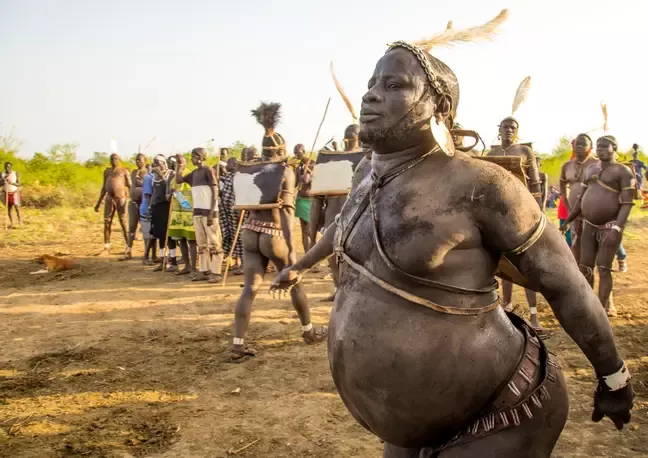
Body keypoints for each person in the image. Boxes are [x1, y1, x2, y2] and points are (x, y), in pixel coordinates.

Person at [271, 27, 632, 457]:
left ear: (439, 106)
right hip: (409, 431)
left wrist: (613, 377)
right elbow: (345, 227)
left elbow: (566, 283)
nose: (370, 95)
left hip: (500, 414)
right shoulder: (366, 174)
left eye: (394, 85)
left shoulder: (483, 185)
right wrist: (302, 263)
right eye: (371, 84)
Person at [230, 102, 327, 362]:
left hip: (250, 232)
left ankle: (237, 344)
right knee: (294, 280)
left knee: (250, 288)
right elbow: (285, 211)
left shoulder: (249, 169)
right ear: (282, 149)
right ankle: (308, 332)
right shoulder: (285, 171)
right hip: (273, 234)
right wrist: (293, 250)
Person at [562, 135, 634, 317]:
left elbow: (626, 203)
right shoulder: (591, 169)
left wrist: (617, 228)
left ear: (614, 148)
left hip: (609, 226)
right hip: (588, 224)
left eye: (605, 146)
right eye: (599, 146)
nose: (600, 149)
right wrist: (569, 219)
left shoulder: (623, 172)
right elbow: (580, 198)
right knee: (585, 267)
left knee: (604, 268)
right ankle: (588, 307)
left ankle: (601, 311)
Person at [488, 119, 544, 332]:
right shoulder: (490, 154)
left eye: (513, 127)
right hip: (496, 214)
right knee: (502, 264)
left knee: (527, 264)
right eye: (505, 127)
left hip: (522, 212)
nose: (508, 130)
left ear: (517, 131)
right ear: (499, 130)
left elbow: (535, 184)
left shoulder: (524, 151)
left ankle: (533, 314)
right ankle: (506, 307)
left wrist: (537, 213)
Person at [309, 123, 362, 301]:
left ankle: (351, 295)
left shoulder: (368, 161)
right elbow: (316, 201)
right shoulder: (329, 162)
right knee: (334, 261)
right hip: (333, 221)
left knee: (354, 261)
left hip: (358, 221)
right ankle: (340, 291)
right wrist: (311, 233)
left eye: (350, 140)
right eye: (347, 140)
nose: (348, 144)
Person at [175, 148, 223, 283]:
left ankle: (216, 272)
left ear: (200, 157)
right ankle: (204, 270)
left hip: (209, 212)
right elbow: (179, 180)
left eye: (193, 156)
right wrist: (180, 165)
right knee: (201, 243)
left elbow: (215, 190)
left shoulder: (208, 171)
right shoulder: (194, 173)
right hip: (197, 212)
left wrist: (212, 212)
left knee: (214, 243)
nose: (191, 159)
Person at [559, 134, 598, 262]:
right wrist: (568, 206)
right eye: (577, 144)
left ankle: (589, 267)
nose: (579, 146)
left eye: (583, 144)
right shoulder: (567, 166)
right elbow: (562, 187)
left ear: (590, 147)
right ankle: (579, 269)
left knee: (591, 241)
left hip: (593, 211)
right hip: (573, 210)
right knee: (576, 240)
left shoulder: (597, 165)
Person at [94, 153, 131, 256]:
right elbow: (104, 188)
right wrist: (98, 203)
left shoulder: (124, 171)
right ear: (110, 161)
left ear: (119, 160)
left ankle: (128, 247)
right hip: (109, 199)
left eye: (116, 158)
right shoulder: (107, 172)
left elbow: (130, 185)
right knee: (107, 222)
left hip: (121, 199)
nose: (114, 160)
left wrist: (131, 198)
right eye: (112, 159)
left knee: (123, 222)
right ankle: (107, 247)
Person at [169, 154, 198, 276]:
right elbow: (173, 189)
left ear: (185, 164)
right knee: (181, 240)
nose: (179, 165)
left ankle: (193, 268)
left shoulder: (190, 174)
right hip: (177, 213)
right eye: (177, 163)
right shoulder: (173, 177)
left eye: (181, 163)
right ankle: (186, 265)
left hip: (189, 213)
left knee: (191, 241)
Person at [148, 154, 178, 272]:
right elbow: (154, 193)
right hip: (156, 207)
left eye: (157, 162)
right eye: (154, 162)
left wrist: (161, 175)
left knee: (169, 235)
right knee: (159, 235)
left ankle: (174, 261)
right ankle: (163, 260)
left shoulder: (171, 174)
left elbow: (169, 189)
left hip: (166, 206)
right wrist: (150, 206)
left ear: (163, 163)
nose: (155, 164)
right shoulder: (153, 176)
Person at [120, 153, 148, 260]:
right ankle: (128, 251)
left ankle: (146, 253)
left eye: (140, 160)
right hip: (133, 202)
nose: (137, 162)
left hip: (144, 204)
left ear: (144, 161)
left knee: (145, 228)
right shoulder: (133, 172)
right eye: (136, 160)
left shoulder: (147, 173)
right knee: (131, 227)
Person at [219, 157, 244, 275]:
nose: (225, 166)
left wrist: (239, 211)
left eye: (228, 163)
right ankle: (237, 262)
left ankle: (244, 264)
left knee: (240, 238)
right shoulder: (229, 176)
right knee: (234, 237)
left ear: (234, 164)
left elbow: (240, 194)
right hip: (228, 213)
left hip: (236, 212)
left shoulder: (238, 177)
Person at [293, 144, 313, 253]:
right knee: (304, 230)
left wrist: (309, 176)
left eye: (298, 152)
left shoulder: (313, 164)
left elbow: (312, 181)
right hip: (300, 199)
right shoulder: (298, 166)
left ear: (304, 151)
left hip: (310, 200)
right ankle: (307, 254)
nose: (296, 155)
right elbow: (295, 183)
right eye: (295, 153)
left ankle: (315, 252)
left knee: (310, 230)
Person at [139, 167, 159, 264]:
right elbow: (147, 196)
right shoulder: (148, 178)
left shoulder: (156, 177)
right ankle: (145, 258)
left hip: (153, 209)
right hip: (147, 210)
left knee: (154, 235)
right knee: (149, 236)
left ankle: (154, 256)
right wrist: (150, 208)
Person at [1, 161, 22, 227]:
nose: (8, 168)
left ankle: (20, 222)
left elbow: (19, 184)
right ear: (4, 167)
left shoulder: (15, 173)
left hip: (14, 192)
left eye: (9, 167)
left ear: (11, 167)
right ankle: (12, 223)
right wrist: (3, 181)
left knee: (17, 208)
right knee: (9, 209)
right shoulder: (2, 174)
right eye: (6, 167)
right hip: (6, 192)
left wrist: (12, 183)